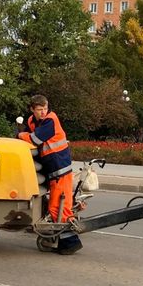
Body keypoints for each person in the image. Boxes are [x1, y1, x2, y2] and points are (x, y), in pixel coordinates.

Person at [18, 95, 82, 255]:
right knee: (57, 206)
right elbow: (29, 136)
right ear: (32, 109)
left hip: (60, 169)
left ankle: (70, 243)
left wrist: (20, 135)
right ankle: (64, 241)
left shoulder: (50, 120)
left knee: (59, 207)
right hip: (53, 170)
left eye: (45, 108)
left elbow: (35, 139)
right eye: (39, 110)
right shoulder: (33, 121)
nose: (43, 112)